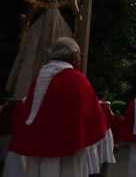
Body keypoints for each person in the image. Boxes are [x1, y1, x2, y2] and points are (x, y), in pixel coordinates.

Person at [3, 37, 115, 177]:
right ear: (74, 56)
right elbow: (93, 117)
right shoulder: (77, 79)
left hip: (40, 147)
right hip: (67, 149)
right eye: (79, 55)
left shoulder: (41, 77)